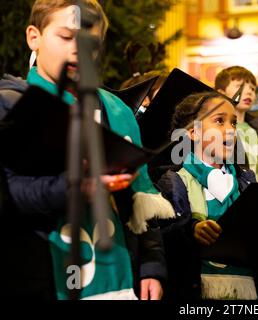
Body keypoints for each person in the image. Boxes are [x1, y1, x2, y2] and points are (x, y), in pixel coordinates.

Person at [0, 0, 174, 300]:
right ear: (34, 37)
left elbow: (140, 197)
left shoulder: (115, 110)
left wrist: (152, 265)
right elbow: (8, 195)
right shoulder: (11, 103)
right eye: (66, 37)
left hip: (119, 270)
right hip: (43, 270)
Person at [157, 91, 258, 300]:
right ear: (192, 132)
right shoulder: (174, 181)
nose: (230, 130)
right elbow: (164, 240)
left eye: (233, 123)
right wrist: (191, 230)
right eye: (219, 121)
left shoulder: (247, 181)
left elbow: (257, 242)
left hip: (252, 294)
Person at [215, 66, 258, 183]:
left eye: (253, 89)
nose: (249, 92)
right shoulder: (217, 130)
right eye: (240, 86)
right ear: (221, 93)